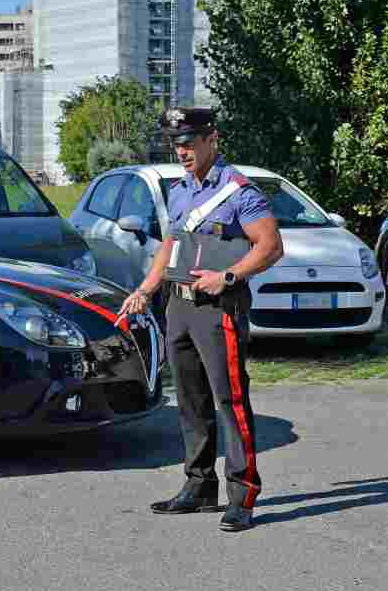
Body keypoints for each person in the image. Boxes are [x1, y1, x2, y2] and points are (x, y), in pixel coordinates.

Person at [116, 108, 284, 532]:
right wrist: (145, 291)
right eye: (177, 143)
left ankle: (242, 494)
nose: (182, 150)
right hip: (180, 306)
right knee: (191, 403)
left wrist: (227, 276)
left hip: (218, 310)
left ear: (213, 139)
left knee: (229, 401)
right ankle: (199, 485)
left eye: (190, 142)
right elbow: (170, 246)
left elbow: (270, 247)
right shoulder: (179, 190)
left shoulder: (239, 192)